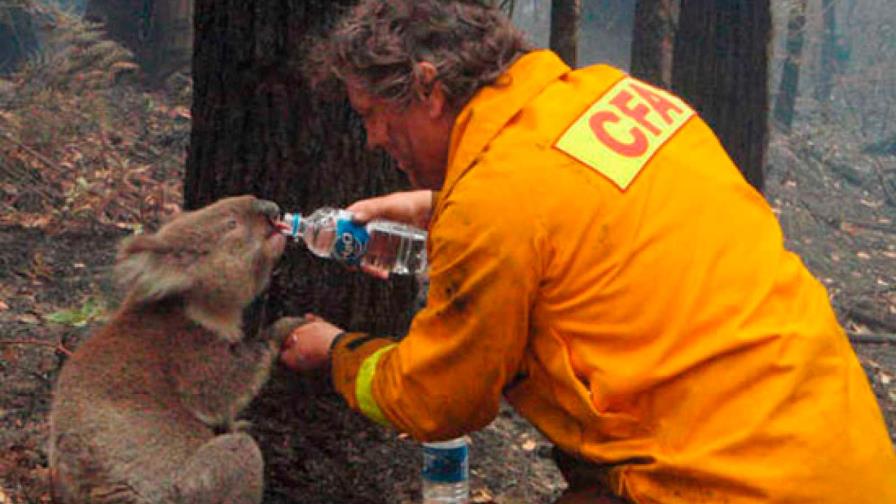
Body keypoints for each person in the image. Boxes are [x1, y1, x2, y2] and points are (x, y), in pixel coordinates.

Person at [280, 1, 896, 502]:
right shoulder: (610, 96)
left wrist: (337, 352)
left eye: (373, 114)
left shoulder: (496, 203)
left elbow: (438, 400)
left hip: (727, 485)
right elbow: (581, 218)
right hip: (845, 453)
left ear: (428, 89)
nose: (371, 137)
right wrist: (432, 207)